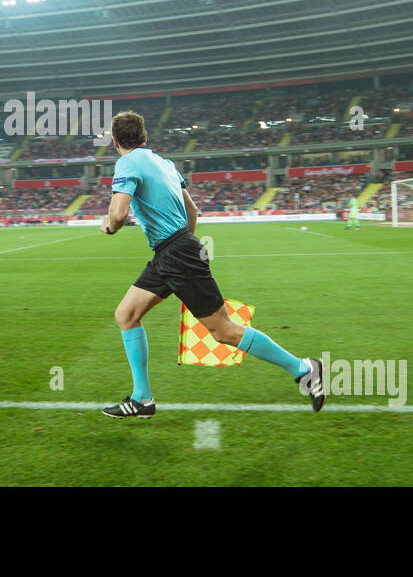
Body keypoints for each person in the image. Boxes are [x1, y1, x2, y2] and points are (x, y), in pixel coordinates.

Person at [98, 110, 325, 418]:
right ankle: (143, 399)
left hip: (176, 254)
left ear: (114, 141)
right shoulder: (165, 164)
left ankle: (303, 368)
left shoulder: (126, 163)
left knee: (223, 331)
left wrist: (110, 226)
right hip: (172, 251)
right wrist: (183, 244)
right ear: (144, 137)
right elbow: (193, 210)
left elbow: (120, 214)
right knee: (126, 314)